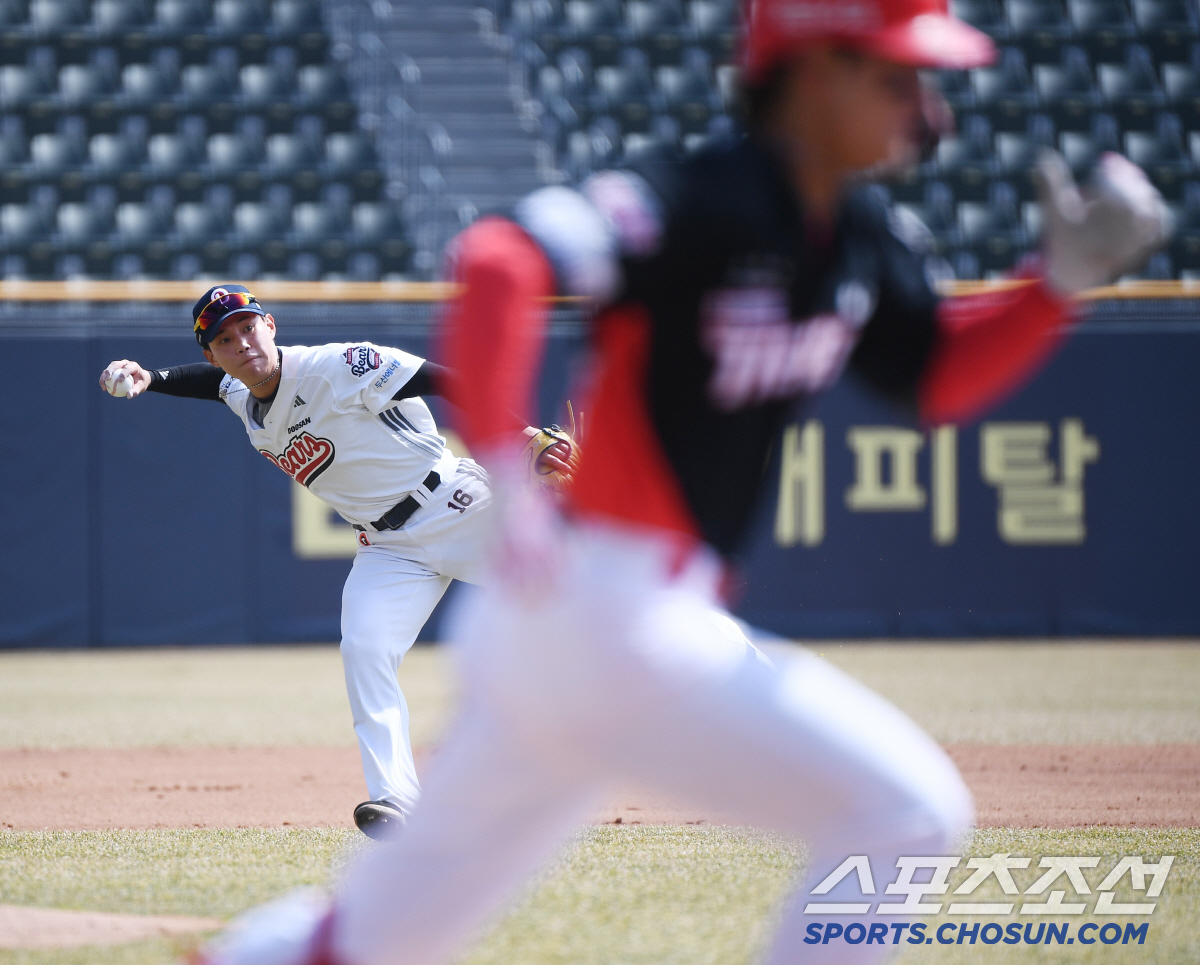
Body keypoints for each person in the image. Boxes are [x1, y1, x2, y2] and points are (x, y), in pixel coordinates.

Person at [191, 0, 1170, 961]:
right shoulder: (696, 197)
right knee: (906, 812)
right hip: (612, 613)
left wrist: (1056, 290)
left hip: (577, 624)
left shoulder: (858, 234)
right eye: (899, 74)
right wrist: (504, 469)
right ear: (818, 67)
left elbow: (937, 378)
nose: (929, 108)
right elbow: (498, 263)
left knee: (374, 939)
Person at [98, 285, 575, 839]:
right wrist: (151, 379)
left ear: (271, 326)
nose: (243, 344)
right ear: (214, 355)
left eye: (249, 328)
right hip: (388, 548)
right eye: (225, 340)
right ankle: (398, 800)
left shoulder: (337, 367)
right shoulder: (240, 388)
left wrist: (518, 435)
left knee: (576, 601)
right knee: (366, 651)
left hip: (454, 504)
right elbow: (215, 386)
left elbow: (452, 379)